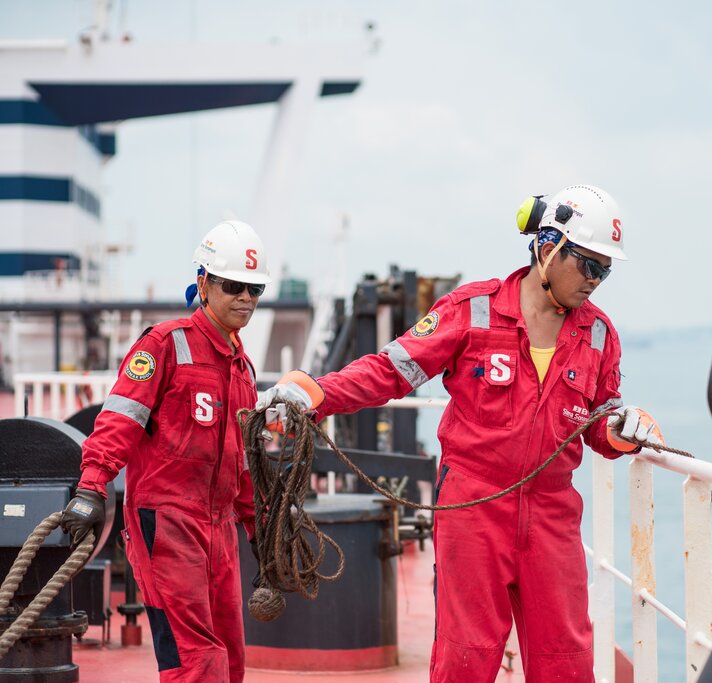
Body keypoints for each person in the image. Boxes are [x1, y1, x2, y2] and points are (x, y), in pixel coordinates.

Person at [257, 184, 662, 682]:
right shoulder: (471, 312)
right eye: (588, 264)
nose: (596, 281)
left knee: (567, 660)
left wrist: (625, 430)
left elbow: (601, 421)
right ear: (548, 246)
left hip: (553, 514)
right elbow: (390, 371)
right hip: (473, 506)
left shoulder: (599, 334)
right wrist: (316, 393)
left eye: (606, 269)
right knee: (466, 657)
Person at [59, 220, 271, 683]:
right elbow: (119, 419)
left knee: (230, 656)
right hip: (167, 521)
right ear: (204, 283)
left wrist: (260, 530)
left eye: (254, 289)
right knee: (196, 658)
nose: (246, 299)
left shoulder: (242, 367)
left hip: (220, 528)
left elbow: (245, 460)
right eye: (234, 286)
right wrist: (92, 487)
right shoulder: (164, 345)